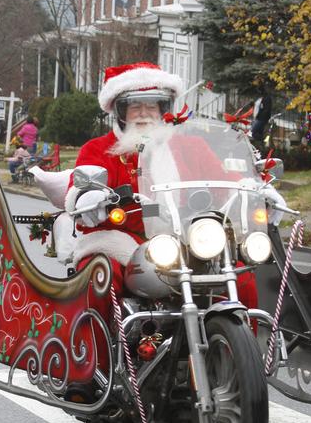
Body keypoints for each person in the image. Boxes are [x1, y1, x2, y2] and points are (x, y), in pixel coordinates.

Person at [64, 62, 286, 304]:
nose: (144, 113)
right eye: (134, 106)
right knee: (99, 278)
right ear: (120, 111)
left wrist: (254, 190)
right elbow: (81, 187)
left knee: (240, 281)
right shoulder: (99, 149)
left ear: (163, 110)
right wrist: (89, 197)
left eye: (152, 106)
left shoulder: (190, 146)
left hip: (188, 241)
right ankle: (100, 341)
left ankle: (243, 340)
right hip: (123, 240)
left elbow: (225, 181)